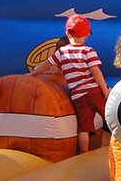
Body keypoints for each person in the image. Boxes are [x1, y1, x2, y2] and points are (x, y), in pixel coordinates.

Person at [45, 14, 109, 153]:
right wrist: (105, 91)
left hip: (78, 97)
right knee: (110, 117)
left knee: (83, 127)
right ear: (86, 35)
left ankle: (84, 152)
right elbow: (95, 72)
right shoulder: (88, 51)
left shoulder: (61, 52)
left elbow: (45, 65)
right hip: (93, 92)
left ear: (67, 33)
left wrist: (32, 74)